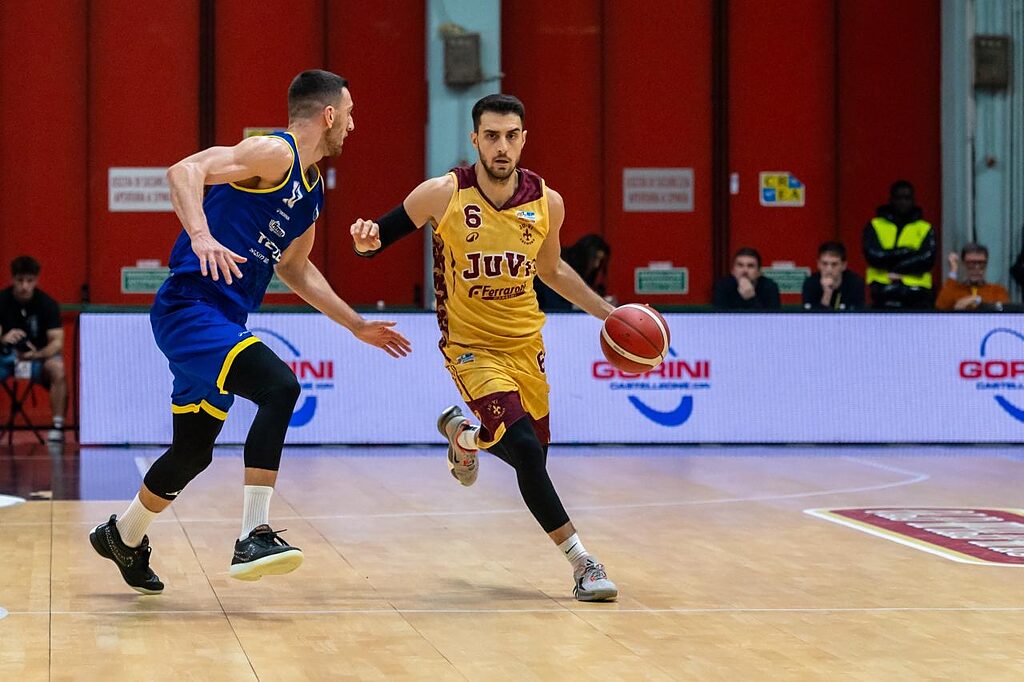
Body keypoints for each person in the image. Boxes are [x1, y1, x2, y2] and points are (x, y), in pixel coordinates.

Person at [89, 70, 412, 595]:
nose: (353, 125)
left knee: (193, 451)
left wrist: (355, 324)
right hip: (189, 307)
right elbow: (184, 170)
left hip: (222, 320)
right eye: (350, 114)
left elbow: (295, 268)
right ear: (329, 114)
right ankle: (253, 535)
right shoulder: (275, 153)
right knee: (279, 386)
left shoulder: (312, 192)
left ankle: (122, 535)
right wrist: (200, 235)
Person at [349, 94, 620, 601]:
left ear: (523, 139)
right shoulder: (443, 194)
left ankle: (465, 436)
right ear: (475, 139)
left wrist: (609, 313)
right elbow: (377, 238)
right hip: (469, 346)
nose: (501, 146)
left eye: (511, 136)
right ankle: (583, 563)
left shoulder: (547, 202)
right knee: (525, 452)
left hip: (526, 345)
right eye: (491, 136)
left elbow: (552, 270)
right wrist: (365, 240)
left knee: (531, 455)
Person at [0, 256, 67, 441]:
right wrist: (4, 339)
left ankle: (57, 426)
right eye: (20, 280)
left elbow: (57, 342)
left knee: (57, 369)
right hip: (6, 358)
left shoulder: (47, 304)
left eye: (29, 281)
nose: (24, 286)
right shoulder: (2, 301)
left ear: (36, 280)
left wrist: (36, 354)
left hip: (37, 358)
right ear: (12, 279)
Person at [863, 180, 936, 309]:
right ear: (891, 200)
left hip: (917, 292)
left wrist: (895, 268)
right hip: (882, 289)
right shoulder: (875, 225)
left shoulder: (925, 228)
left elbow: (927, 259)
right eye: (899, 198)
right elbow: (874, 255)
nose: (903, 202)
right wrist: (905, 252)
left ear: (913, 200)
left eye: (907, 198)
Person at [535, 233, 612, 311]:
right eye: (595, 258)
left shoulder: (586, 273)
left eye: (601, 260)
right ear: (584, 255)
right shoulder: (557, 266)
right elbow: (552, 303)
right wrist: (579, 306)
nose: (596, 265)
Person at [935, 243, 1009, 311]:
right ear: (963, 264)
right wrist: (953, 270)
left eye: (981, 263)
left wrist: (977, 300)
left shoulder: (997, 291)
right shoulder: (954, 290)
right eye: (971, 263)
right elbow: (939, 307)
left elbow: (1003, 310)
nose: (977, 268)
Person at [801, 241, 865, 311]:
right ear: (818, 264)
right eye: (824, 264)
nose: (829, 269)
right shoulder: (810, 284)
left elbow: (857, 313)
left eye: (834, 264)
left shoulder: (855, 283)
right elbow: (812, 316)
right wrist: (827, 293)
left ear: (844, 265)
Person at [712, 247, 781, 309]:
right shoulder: (722, 286)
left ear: (759, 272)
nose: (745, 270)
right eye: (740, 265)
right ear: (733, 271)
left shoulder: (770, 287)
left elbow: (771, 318)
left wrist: (751, 299)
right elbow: (720, 317)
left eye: (750, 266)